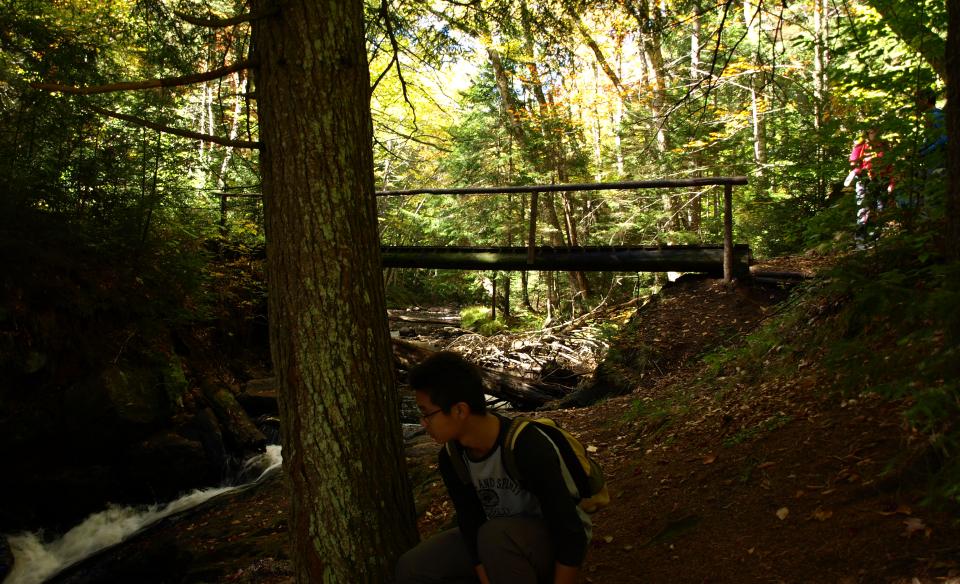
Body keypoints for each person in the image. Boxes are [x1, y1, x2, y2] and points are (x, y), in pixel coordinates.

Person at [396, 351, 590, 584]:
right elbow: (470, 522)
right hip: (497, 542)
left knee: (495, 536)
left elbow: (569, 530)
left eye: (427, 413)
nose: (422, 423)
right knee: (414, 567)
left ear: (460, 410)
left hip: (549, 542)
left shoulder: (525, 446)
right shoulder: (452, 456)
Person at [847, 127, 893, 242]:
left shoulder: (885, 146)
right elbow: (853, 163)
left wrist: (891, 183)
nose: (875, 134)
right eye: (872, 132)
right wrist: (859, 172)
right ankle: (860, 238)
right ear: (868, 134)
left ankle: (876, 237)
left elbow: (891, 166)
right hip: (865, 180)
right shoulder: (861, 146)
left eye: (877, 131)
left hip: (882, 179)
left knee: (881, 207)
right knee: (864, 208)